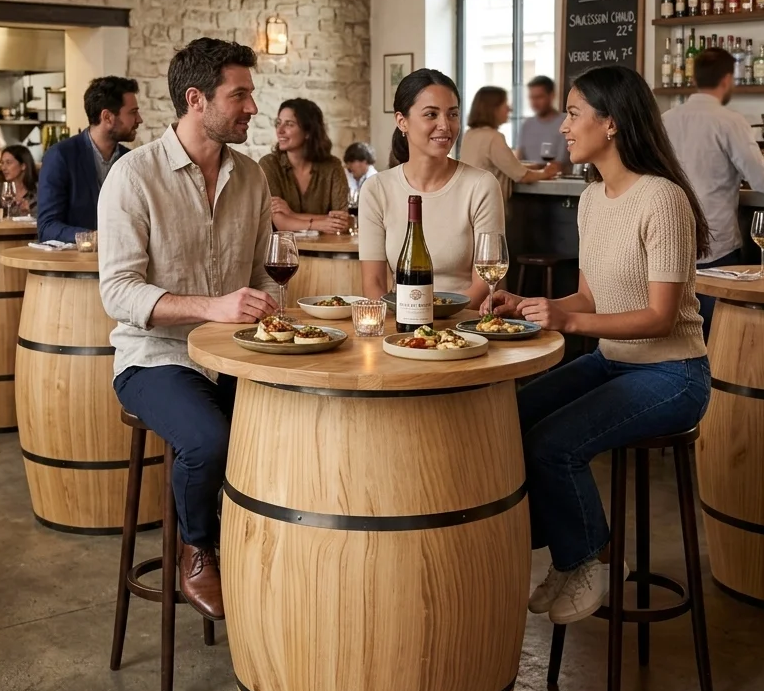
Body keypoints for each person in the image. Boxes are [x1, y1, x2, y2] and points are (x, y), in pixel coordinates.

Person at [490, 66, 711, 625]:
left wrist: (567, 322)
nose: (563, 126)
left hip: (673, 374)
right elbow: (589, 296)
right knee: (508, 417)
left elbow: (661, 317)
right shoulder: (591, 199)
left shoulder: (662, 200)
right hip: (613, 360)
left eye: (573, 113)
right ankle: (587, 551)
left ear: (610, 122)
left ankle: (584, 559)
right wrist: (533, 305)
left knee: (552, 446)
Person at [99, 38, 278, 621]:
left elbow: (262, 276)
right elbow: (117, 292)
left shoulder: (251, 176)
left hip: (234, 354)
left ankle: (266, 547)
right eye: (240, 95)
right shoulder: (133, 176)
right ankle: (198, 548)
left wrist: (270, 311)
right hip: (154, 357)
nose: (253, 107)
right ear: (197, 99)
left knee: (296, 423)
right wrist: (214, 306)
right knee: (209, 441)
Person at [663, 48, 764, 340]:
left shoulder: (665, 119)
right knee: (717, 337)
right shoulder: (730, 121)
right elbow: (762, 182)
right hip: (715, 247)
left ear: (694, 78)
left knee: (675, 334)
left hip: (668, 242)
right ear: (727, 80)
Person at [359, 69, 504, 308]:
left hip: (462, 322)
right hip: (402, 321)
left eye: (452, 114)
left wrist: (433, 321)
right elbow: (373, 283)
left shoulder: (481, 185)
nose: (445, 125)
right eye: (431, 114)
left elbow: (485, 285)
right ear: (402, 121)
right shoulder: (376, 189)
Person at [37, 76, 142, 243]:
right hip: (76, 259)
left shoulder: (131, 160)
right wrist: (95, 238)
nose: (139, 119)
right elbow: (47, 228)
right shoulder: (60, 156)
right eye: (133, 112)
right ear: (107, 117)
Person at [258, 99, 350, 233]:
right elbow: (281, 223)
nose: (280, 130)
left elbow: (342, 221)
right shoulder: (269, 164)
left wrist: (292, 214)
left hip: (327, 246)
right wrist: (319, 223)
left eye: (289, 124)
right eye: (278, 123)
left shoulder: (333, 166)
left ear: (308, 132)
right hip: (284, 246)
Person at [459, 85, 558, 197]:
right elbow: (522, 176)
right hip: (487, 204)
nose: (510, 109)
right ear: (494, 109)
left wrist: (535, 167)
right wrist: (546, 173)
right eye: (505, 104)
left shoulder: (469, 135)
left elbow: (504, 166)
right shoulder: (493, 137)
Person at [516, 76, 567, 174]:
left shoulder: (565, 122)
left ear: (551, 96)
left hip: (559, 181)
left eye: (539, 97)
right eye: (532, 98)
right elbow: (518, 159)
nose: (534, 102)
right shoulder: (527, 124)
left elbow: (560, 164)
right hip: (528, 180)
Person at [0, 145, 39, 217]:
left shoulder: (39, 190)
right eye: (2, 163)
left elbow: (46, 219)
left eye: (8, 162)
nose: (3, 168)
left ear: (23, 166)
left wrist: (29, 214)